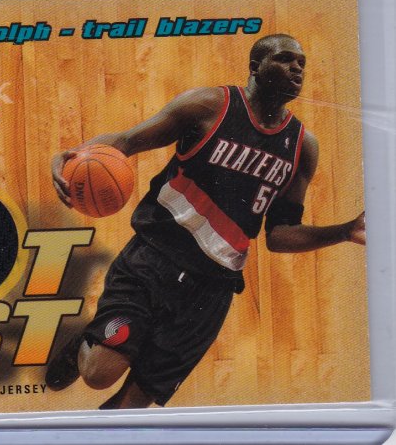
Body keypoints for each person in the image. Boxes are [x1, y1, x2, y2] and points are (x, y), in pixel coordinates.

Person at [45, 33, 366, 409]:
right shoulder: (209, 106)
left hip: (212, 289)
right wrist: (74, 156)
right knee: (100, 374)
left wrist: (344, 231)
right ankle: (85, 343)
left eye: (302, 63)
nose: (297, 68)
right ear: (255, 67)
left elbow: (280, 235)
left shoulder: (302, 146)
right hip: (153, 259)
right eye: (284, 59)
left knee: (133, 406)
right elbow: (127, 141)